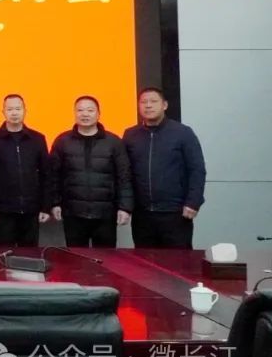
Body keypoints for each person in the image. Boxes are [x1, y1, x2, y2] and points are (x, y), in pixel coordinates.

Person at [123, 87, 207, 249]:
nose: (148, 105)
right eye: (144, 102)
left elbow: (197, 169)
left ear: (164, 105)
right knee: (144, 261)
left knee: (178, 260)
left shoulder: (183, 133)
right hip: (142, 214)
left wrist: (193, 202)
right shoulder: (130, 135)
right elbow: (124, 173)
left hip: (175, 213)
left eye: (153, 101)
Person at [50, 96, 134, 248]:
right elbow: (53, 176)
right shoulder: (62, 141)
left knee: (105, 258)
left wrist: (125, 207)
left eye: (90, 110)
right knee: (76, 257)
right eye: (80, 110)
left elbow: (124, 177)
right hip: (73, 213)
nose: (85, 114)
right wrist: (55, 203)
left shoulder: (113, 142)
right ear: (74, 113)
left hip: (105, 214)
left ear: (98, 114)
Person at [0, 94, 52, 247]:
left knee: (29, 254)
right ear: (3, 112)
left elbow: (46, 175)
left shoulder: (37, 139)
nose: (14, 113)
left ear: (25, 111)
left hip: (31, 210)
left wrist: (46, 207)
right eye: (10, 109)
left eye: (18, 109)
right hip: (3, 211)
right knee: (4, 253)